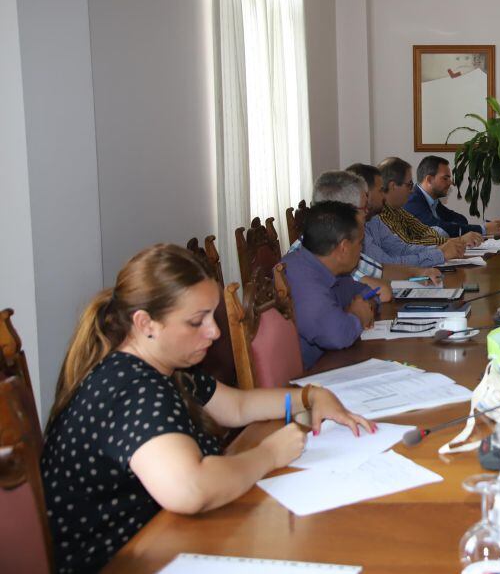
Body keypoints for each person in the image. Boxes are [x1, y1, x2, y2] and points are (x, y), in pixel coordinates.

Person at [40, 244, 373, 574]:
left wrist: (310, 398)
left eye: (211, 317)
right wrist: (269, 454)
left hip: (165, 538)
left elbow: (238, 406)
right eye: (197, 321)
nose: (214, 333)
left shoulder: (166, 366)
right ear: (145, 324)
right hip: (123, 559)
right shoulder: (132, 389)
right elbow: (191, 489)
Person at [297, 170, 442, 299]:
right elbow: (377, 289)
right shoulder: (310, 252)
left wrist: (417, 272)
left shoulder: (340, 242)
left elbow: (379, 270)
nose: (367, 213)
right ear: (342, 212)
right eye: (363, 208)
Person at [282, 201, 379, 367]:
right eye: (360, 243)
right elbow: (337, 335)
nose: (361, 250)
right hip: (304, 383)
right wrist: (358, 316)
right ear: (344, 247)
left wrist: (365, 305)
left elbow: (367, 292)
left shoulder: (328, 269)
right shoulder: (299, 276)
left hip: (329, 364)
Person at [349, 163, 464, 267]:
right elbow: (386, 264)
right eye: (380, 190)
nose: (384, 195)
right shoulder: (355, 226)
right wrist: (440, 253)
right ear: (365, 194)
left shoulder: (374, 219)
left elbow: (402, 249)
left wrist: (440, 250)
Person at [377, 156, 481, 248]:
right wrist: (459, 240)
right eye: (409, 184)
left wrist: (453, 242)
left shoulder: (398, 210)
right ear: (393, 186)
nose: (412, 189)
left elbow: (425, 230)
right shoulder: (379, 214)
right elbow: (406, 246)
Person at [405, 155, 500, 238]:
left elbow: (460, 219)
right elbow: (438, 228)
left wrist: (484, 227)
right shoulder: (412, 200)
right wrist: (484, 229)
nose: (451, 182)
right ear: (430, 180)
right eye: (445, 178)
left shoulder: (433, 201)